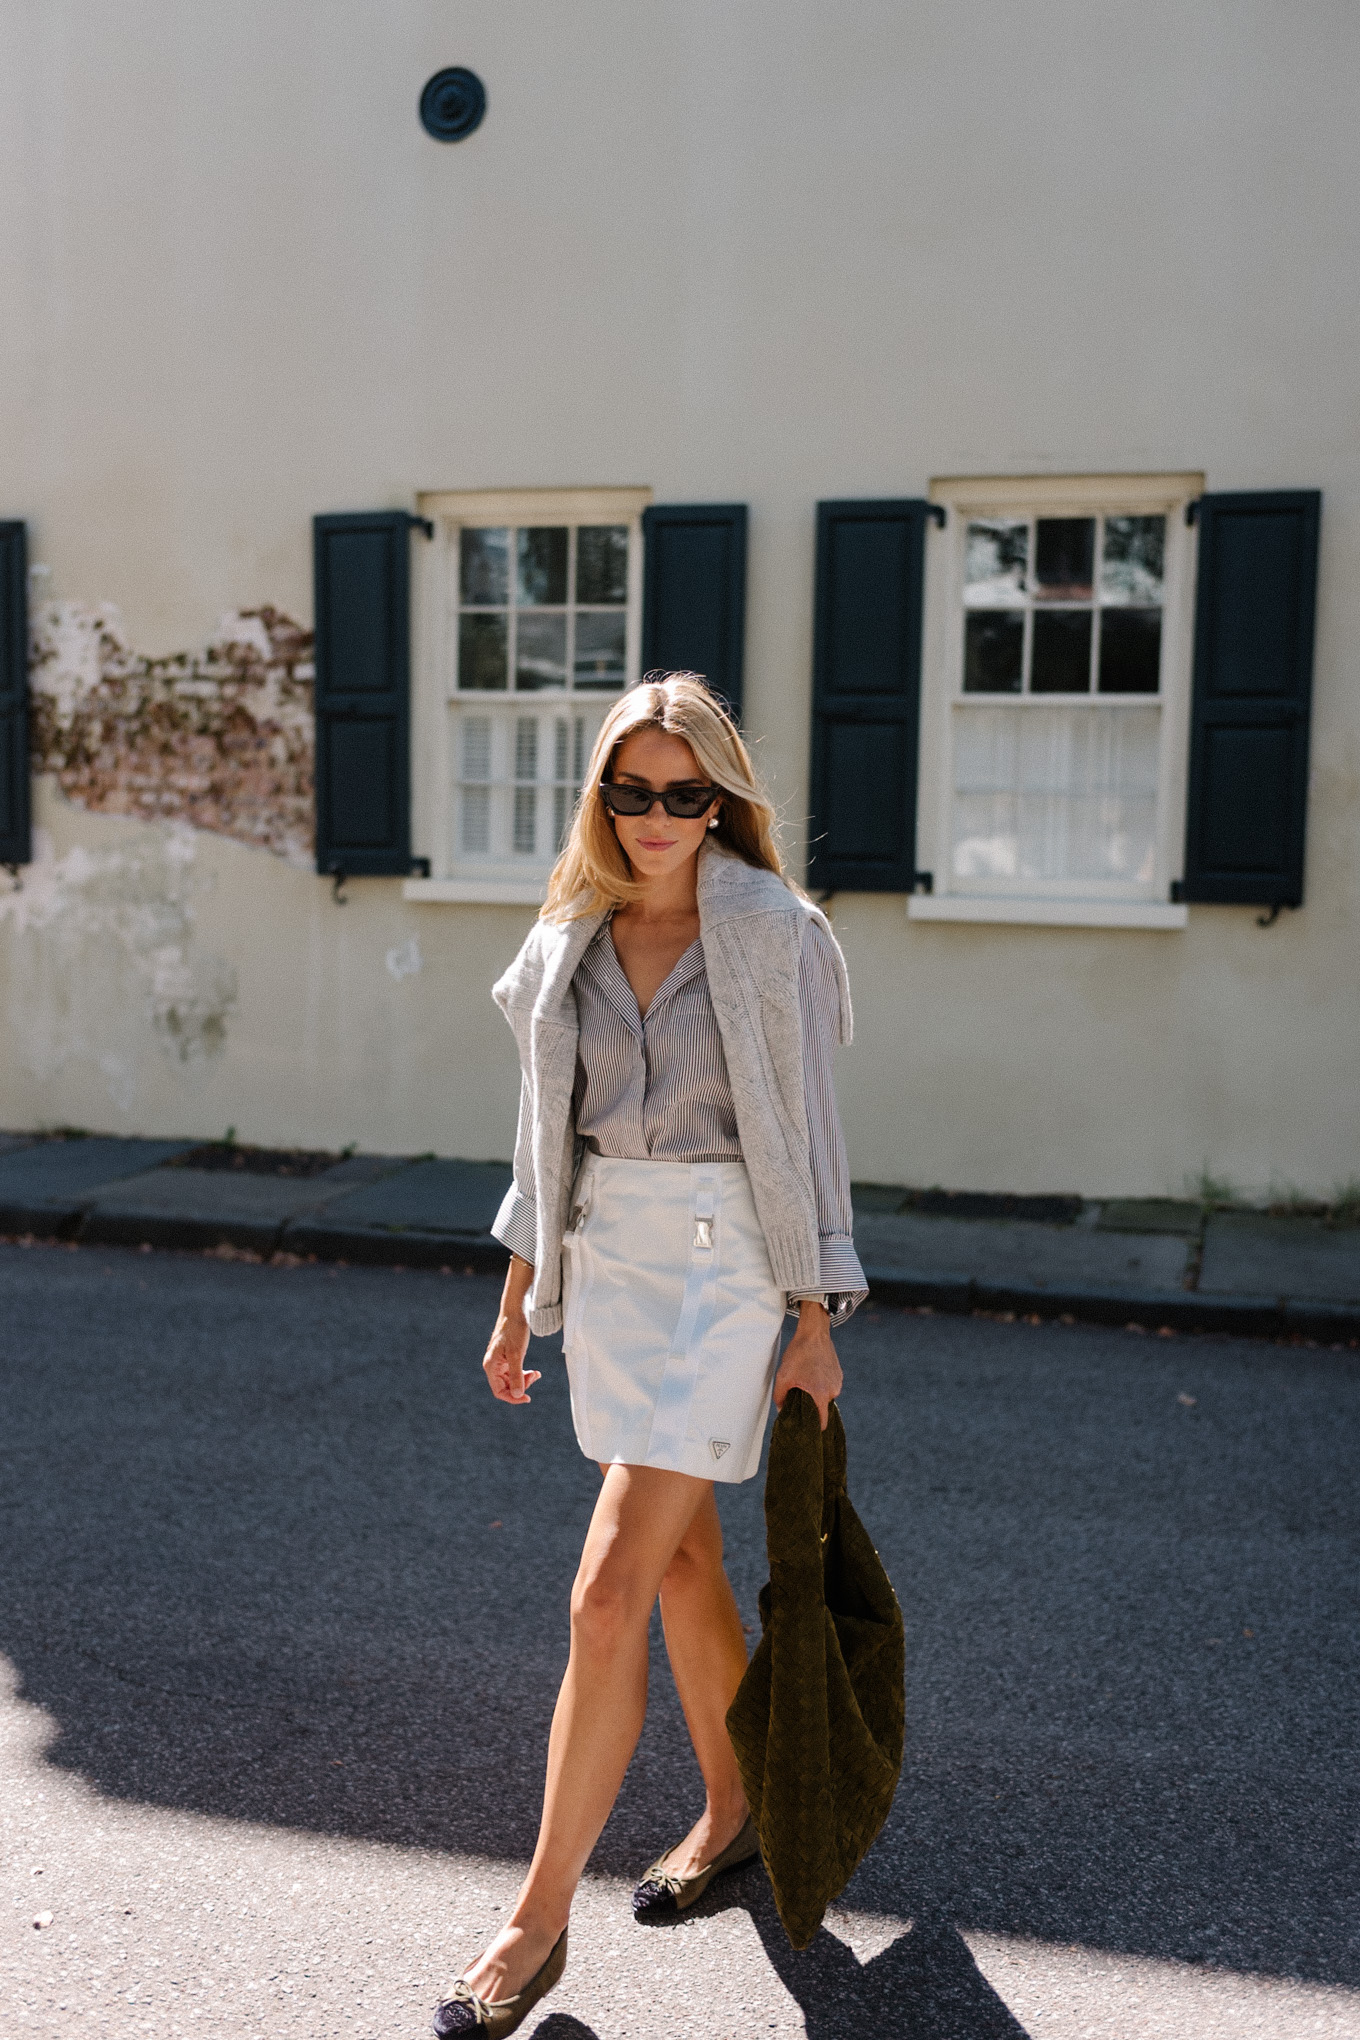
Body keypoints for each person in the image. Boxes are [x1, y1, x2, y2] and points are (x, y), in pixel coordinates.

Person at [432, 673, 866, 2038]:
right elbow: (540, 1138)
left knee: (606, 1587)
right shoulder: (570, 929)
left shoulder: (773, 932)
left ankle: (534, 1922)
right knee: (679, 1554)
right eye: (637, 790)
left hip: (730, 1259)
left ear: (724, 798)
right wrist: (518, 1298)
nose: (663, 816)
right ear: (603, 797)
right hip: (611, 1257)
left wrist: (814, 1317)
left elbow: (809, 1137)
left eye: (690, 793)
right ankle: (738, 1810)